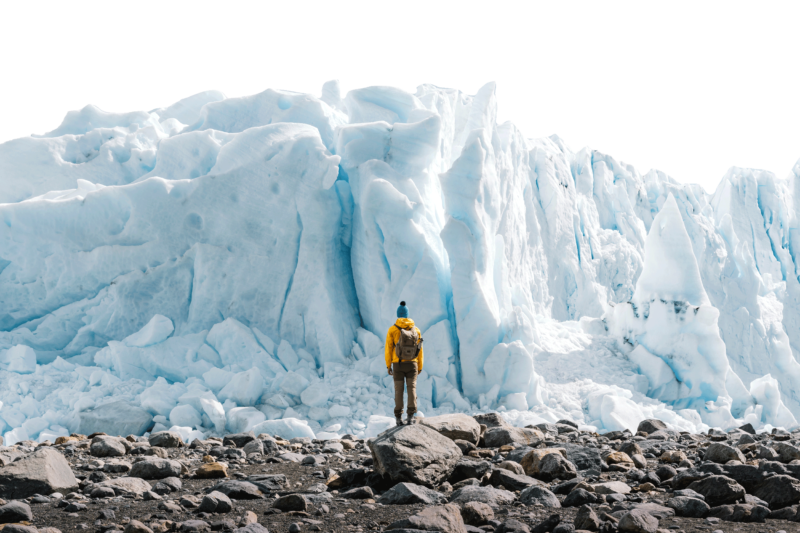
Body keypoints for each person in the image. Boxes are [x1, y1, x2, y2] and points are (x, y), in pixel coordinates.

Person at [385, 301, 424, 426]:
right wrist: (420, 366)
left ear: (398, 314)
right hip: (412, 364)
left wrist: (388, 365)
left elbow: (388, 349)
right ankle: (411, 416)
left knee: (399, 390)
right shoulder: (416, 330)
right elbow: (420, 350)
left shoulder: (393, 330)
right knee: (412, 389)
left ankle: (398, 418)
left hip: (398, 365)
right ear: (407, 314)